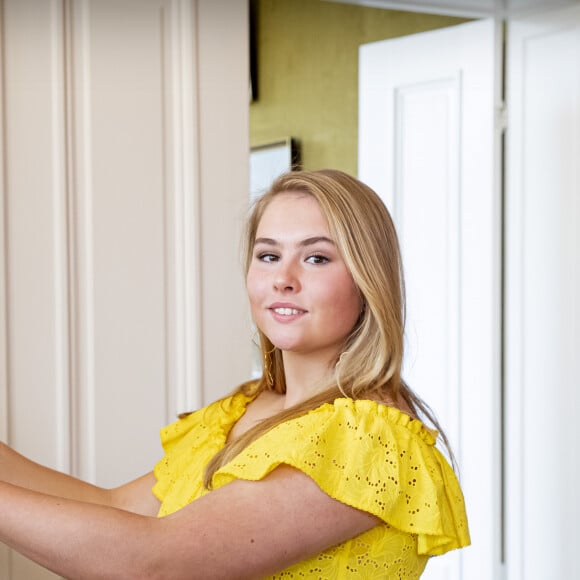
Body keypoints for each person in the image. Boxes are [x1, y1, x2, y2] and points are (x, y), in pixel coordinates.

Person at [0, 169, 470, 578]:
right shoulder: (246, 408)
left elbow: (155, 563)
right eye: (268, 255)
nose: (282, 278)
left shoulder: (373, 439)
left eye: (317, 257)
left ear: (369, 279)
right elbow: (116, 509)